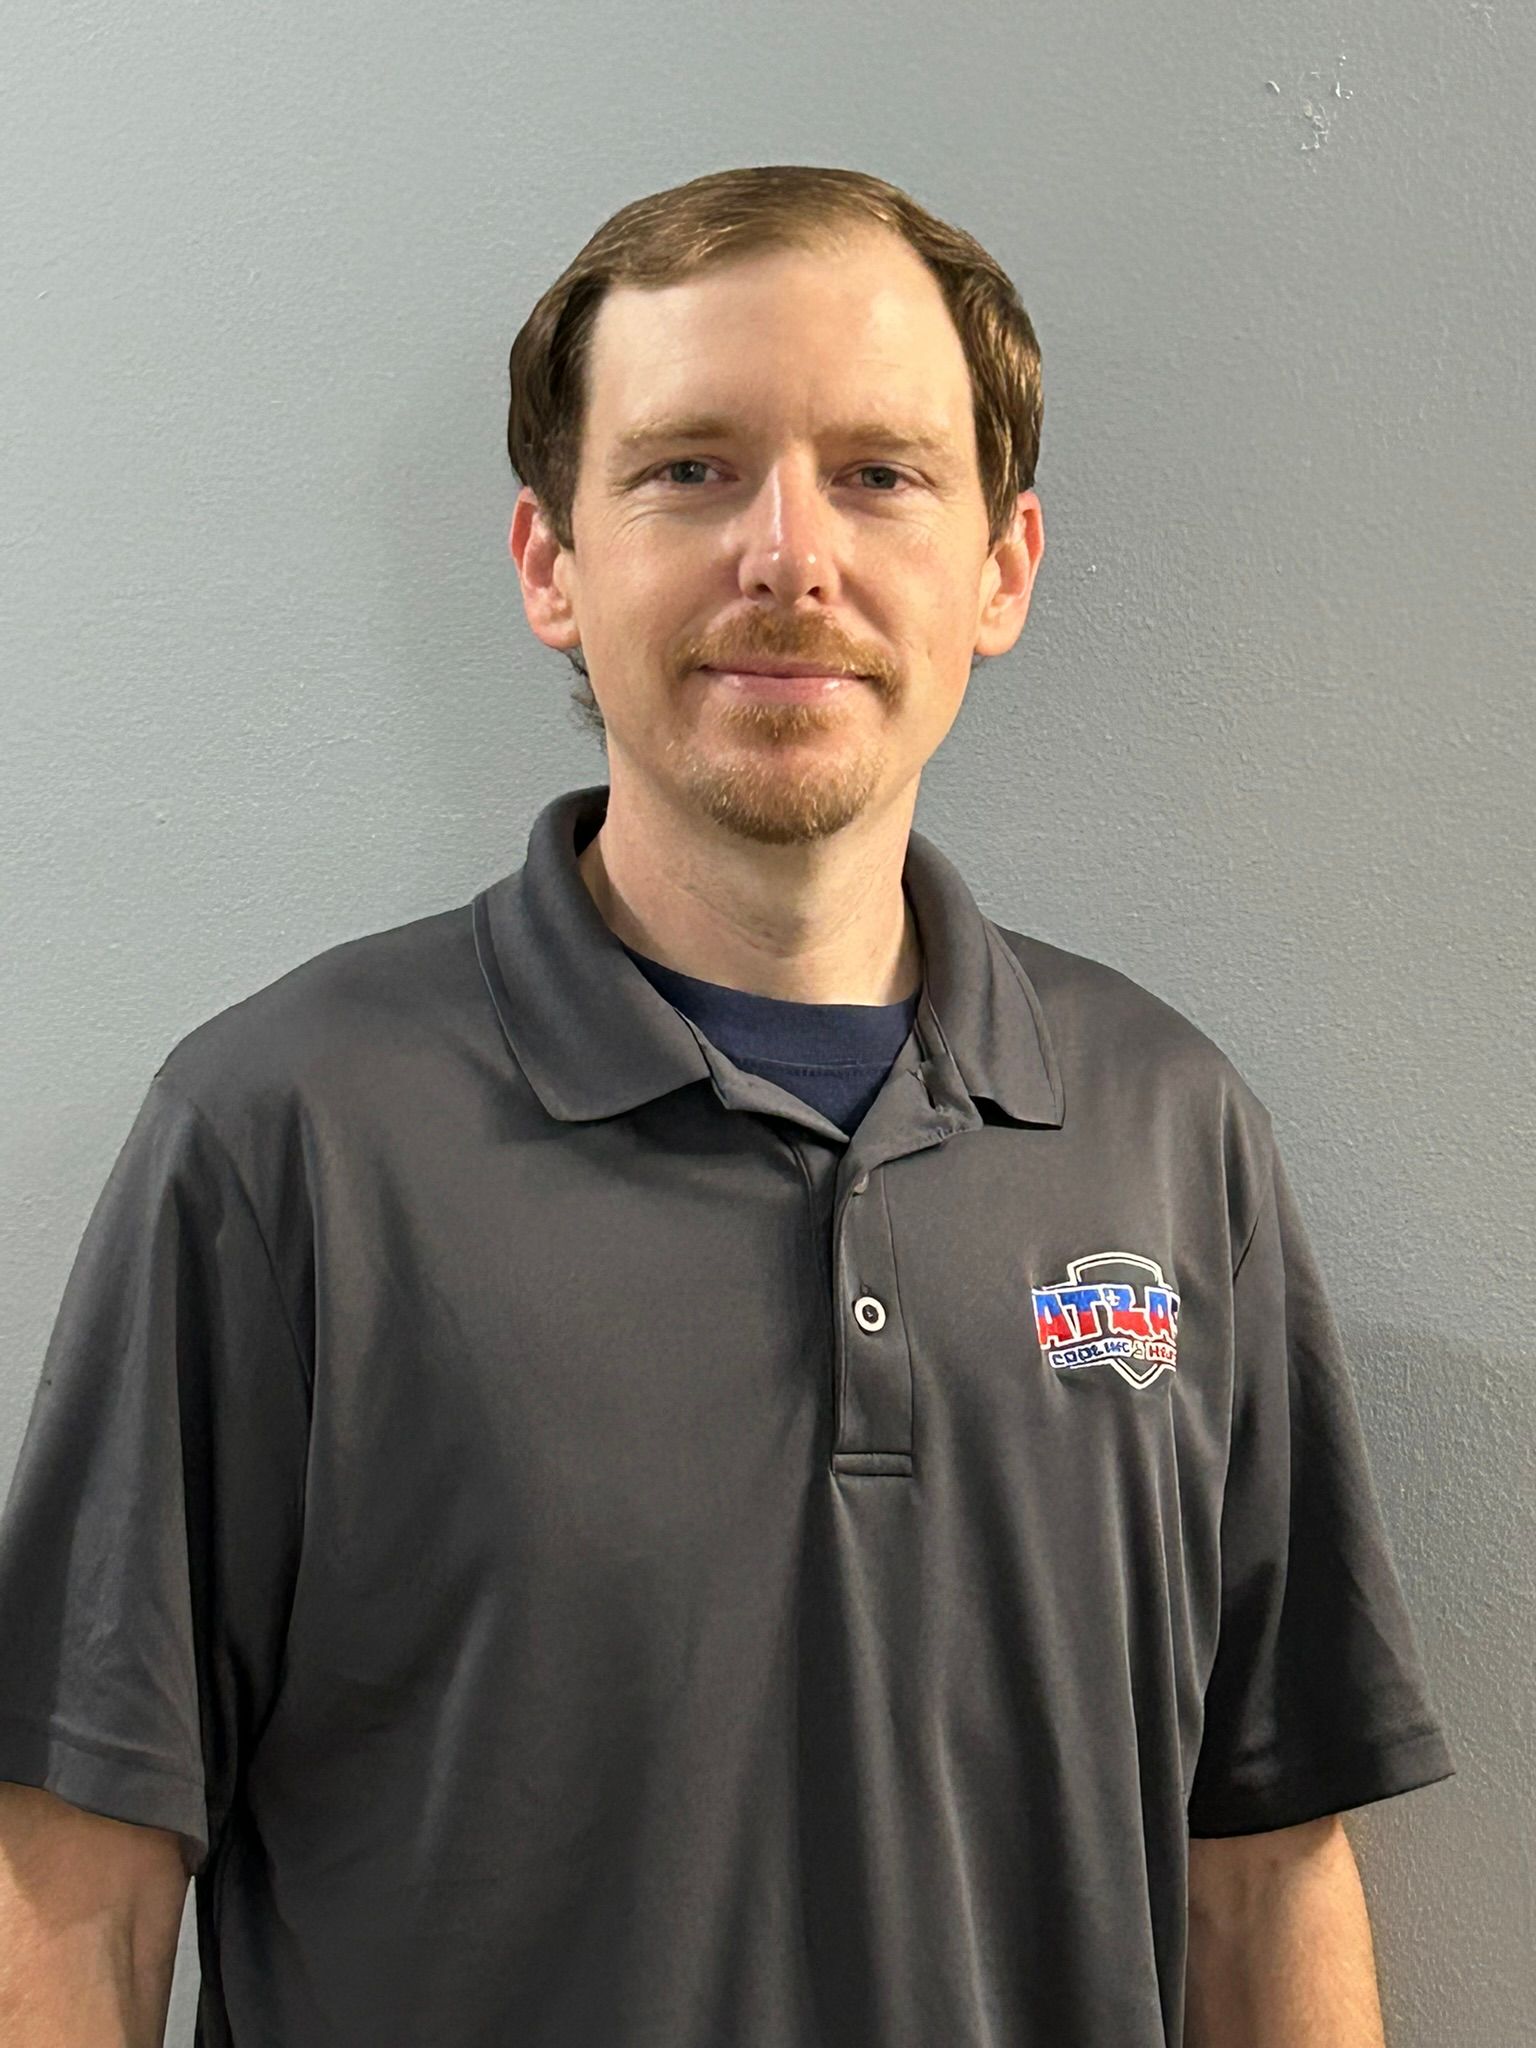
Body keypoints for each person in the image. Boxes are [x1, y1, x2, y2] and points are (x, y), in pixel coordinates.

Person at [0, 164, 1455, 2047]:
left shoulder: (1168, 1132)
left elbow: (1266, 1870)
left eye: (881, 472)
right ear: (551, 562)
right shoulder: (281, 1140)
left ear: (1001, 567)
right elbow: (74, 1881)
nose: (791, 557)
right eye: (689, 469)